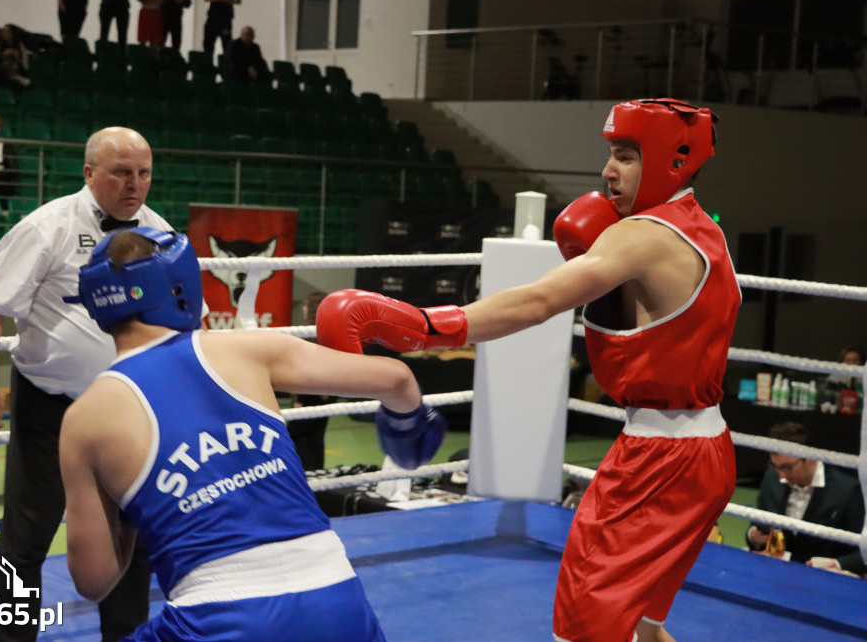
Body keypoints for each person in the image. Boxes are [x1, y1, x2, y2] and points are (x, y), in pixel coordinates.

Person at [316, 98, 739, 642]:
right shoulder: (704, 228)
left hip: (658, 461)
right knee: (646, 626)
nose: (608, 170)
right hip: (709, 451)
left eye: (626, 156)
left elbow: (536, 302)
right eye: (610, 153)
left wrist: (426, 325)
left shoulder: (643, 236)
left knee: (582, 628)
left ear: (672, 161)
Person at [60, 226, 443, 639]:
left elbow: (94, 581)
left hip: (216, 617)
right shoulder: (246, 349)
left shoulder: (84, 421)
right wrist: (407, 433)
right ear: (178, 285)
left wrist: (134, 504)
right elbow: (398, 379)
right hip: (337, 600)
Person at [0, 127, 172, 641]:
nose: (135, 184)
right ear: (89, 173)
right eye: (121, 171)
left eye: (143, 173)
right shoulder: (46, 227)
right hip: (50, 407)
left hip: (129, 407)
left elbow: (177, 320)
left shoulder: (160, 232)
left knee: (133, 534)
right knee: (25, 538)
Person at [746, 421, 865, 575]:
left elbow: (862, 554)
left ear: (810, 457)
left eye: (787, 467)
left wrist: (836, 564)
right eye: (775, 466)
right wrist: (754, 537)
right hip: (775, 575)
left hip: (824, 582)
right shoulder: (771, 479)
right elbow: (759, 526)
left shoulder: (847, 490)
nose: (781, 475)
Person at [288, 290, 333, 471]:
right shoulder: (330, 333)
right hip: (328, 392)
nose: (303, 309)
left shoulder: (310, 336)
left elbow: (306, 371)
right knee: (316, 436)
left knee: (294, 435)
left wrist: (299, 399)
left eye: (306, 305)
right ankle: (318, 473)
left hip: (312, 393)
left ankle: (306, 470)